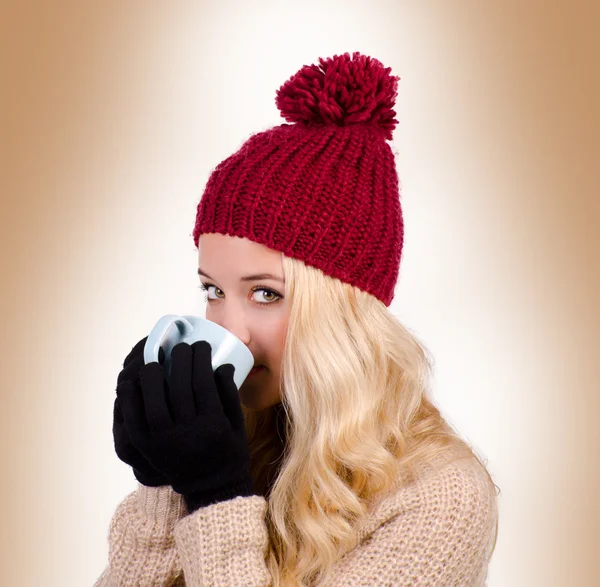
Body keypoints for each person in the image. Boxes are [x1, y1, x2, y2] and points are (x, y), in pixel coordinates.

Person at [94, 52, 499, 586]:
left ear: (344, 314)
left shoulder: (440, 496)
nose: (228, 329)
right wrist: (162, 486)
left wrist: (215, 496)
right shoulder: (242, 435)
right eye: (212, 290)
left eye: (265, 293)